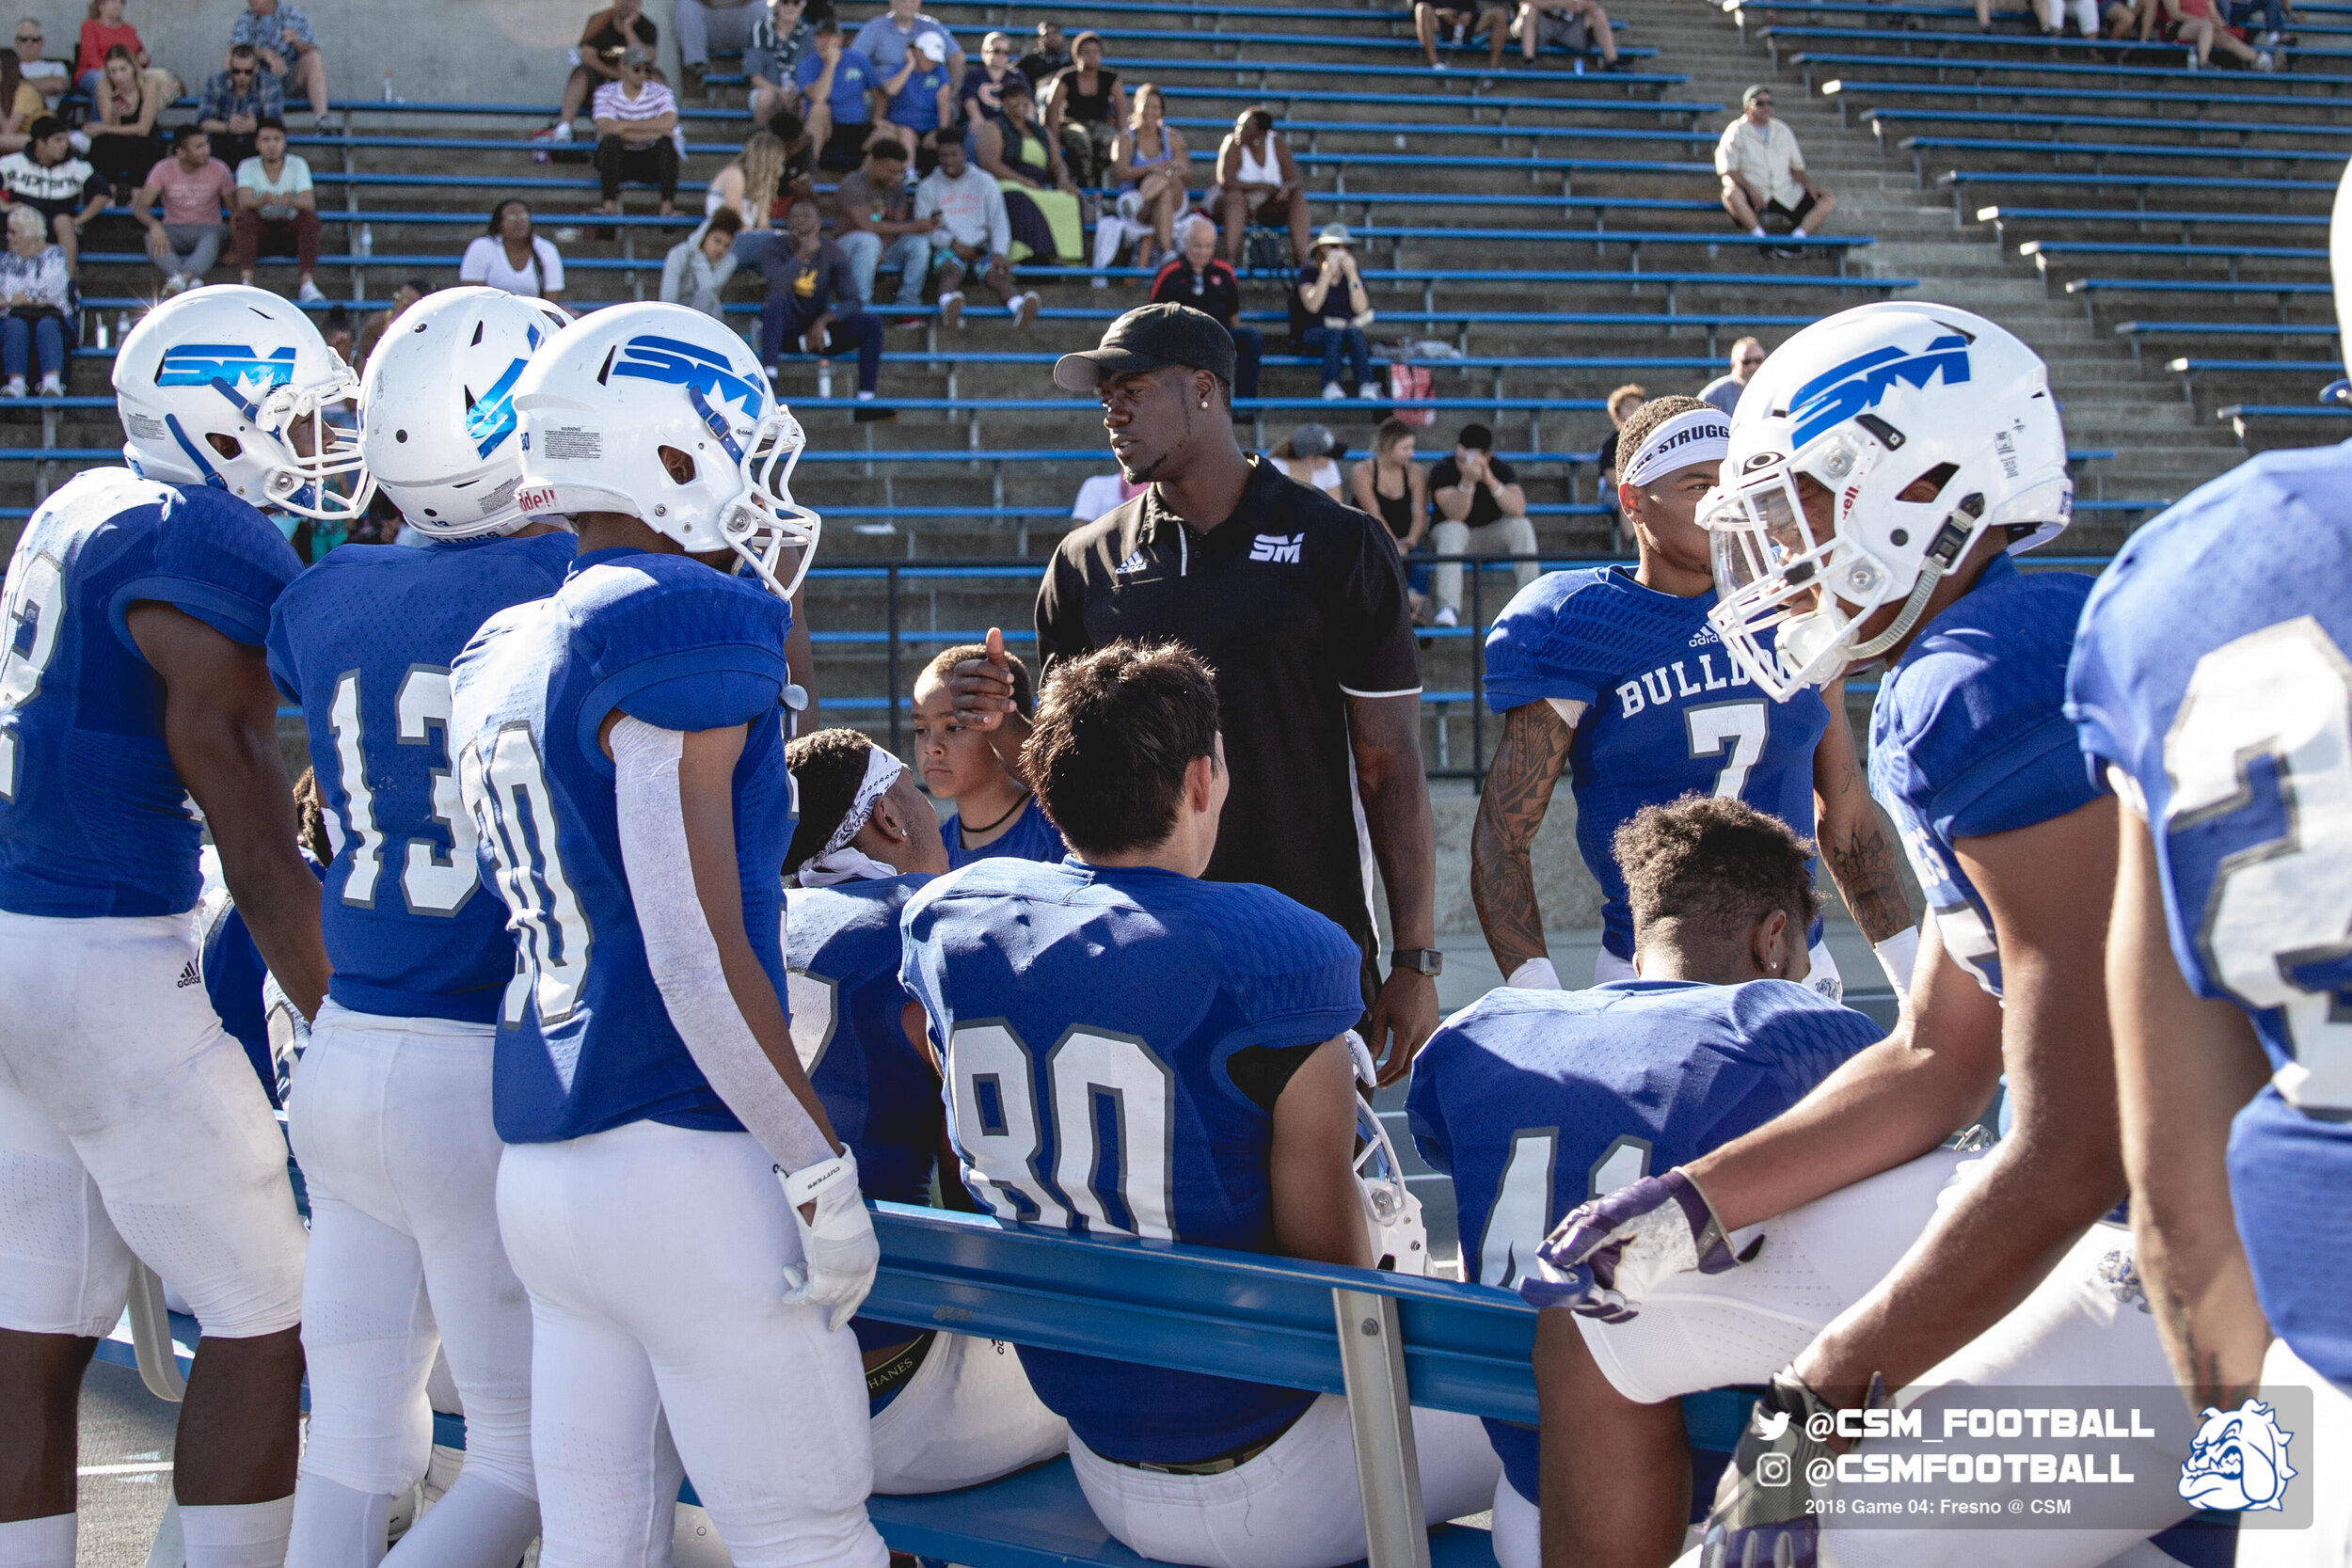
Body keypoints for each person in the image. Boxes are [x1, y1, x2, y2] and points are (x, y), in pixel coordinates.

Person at [1528, 305, 2187, 1568]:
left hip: (2200, 1243)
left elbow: (2075, 1146)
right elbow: (1937, 1055)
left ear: (1923, 484)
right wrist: (1691, 1200)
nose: (1774, 554)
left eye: (1795, 506)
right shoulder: (1984, 654)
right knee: (1603, 1315)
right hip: (2115, 1198)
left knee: (1789, 1527)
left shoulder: (1975, 687)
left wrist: (1816, 1403)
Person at [447, 299, 883, 1568]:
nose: (758, 484)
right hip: (682, 1154)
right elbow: (689, 944)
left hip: (545, 1161)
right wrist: (815, 1164)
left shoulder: (502, 643)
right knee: (812, 1537)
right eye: (738, 445)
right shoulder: (674, 612)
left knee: (596, 1544)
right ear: (671, 449)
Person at [905, 641, 1497, 1568]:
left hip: (1098, 1448)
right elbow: (1337, 1284)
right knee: (1576, 1399)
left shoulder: (950, 919)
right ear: (1199, 778)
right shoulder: (1280, 949)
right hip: (1277, 1462)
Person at [0, 282, 352, 1568]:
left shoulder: (83, 499)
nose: (311, 445)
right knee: (267, 1302)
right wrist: (343, 1021)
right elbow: (254, 841)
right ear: (217, 415)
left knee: (34, 1321)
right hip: (106, 956)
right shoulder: (202, 541)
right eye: (291, 416)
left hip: (17, 936)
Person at [2066, 166, 2352, 1562]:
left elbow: (2176, 1195)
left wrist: (2261, 1493)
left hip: (2317, 1385)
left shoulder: (2194, 581)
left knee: (1818, 1498)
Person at [267, 287, 577, 1568]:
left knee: (352, 1436)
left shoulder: (328, 591)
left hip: (346, 1045)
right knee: (521, 1459)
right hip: (471, 1058)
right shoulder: (567, 581)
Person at [953, 304, 1443, 1081]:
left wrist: (1415, 956)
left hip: (1302, 944)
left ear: (1205, 389)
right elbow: (1068, 780)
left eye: (1133, 390)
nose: (1112, 413)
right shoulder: (1083, 564)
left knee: (1318, 1164)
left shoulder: (1339, 542)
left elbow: (1391, 762)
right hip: (1138, 953)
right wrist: (1004, 722)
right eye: (1104, 396)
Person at [1409, 795, 1883, 1568]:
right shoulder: (1785, 1030)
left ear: (1641, 953)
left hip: (1530, 1506)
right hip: (1711, 1511)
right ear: (1773, 939)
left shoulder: (1481, 1034)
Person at [1471, 393, 1915, 1000]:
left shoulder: (1794, 604)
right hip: (1651, 974)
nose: (1722, 504)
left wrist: (1911, 977)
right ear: (1633, 500)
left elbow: (1846, 816)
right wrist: (1536, 991)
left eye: (1732, 483)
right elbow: (1504, 832)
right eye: (1698, 486)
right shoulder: (1579, 621)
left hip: (1801, 968)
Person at [778, 728, 1072, 1489]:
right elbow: (985, 1180)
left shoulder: (753, 922)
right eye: (914, 789)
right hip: (894, 1392)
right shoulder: (924, 926)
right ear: (887, 815)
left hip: (749, 1382)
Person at [910, 645, 1064, 868]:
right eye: (920, 730)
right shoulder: (932, 851)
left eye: (953, 727)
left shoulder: (1061, 832)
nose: (931, 747)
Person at [757, 194, 889, 413]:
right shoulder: (773, 247)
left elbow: (853, 300)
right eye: (795, 216)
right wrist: (801, 255)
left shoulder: (832, 252)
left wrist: (824, 321)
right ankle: (769, 382)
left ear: (818, 223)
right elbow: (777, 285)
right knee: (775, 300)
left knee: (871, 323)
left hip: (820, 332)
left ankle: (866, 401)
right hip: (786, 331)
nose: (801, 221)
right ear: (787, 222)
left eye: (806, 216)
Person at [915, 136, 1039, 330]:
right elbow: (924, 226)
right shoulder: (927, 187)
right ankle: (948, 305)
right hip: (948, 248)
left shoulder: (985, 181)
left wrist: (1000, 252)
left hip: (981, 248)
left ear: (964, 154)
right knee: (950, 271)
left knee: (996, 274)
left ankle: (1018, 306)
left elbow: (998, 220)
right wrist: (952, 243)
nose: (949, 160)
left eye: (953, 155)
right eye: (943, 156)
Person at [1426, 422, 1535, 626]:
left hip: (1489, 536)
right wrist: (1467, 482)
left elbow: (1518, 509)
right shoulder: (1443, 469)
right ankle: (1448, 607)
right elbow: (1455, 514)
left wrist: (1490, 480)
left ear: (1487, 456)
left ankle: (1533, 602)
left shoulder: (1500, 469)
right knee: (1453, 529)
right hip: (1453, 539)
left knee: (1521, 526)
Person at [1150, 214, 1260, 399]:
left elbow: (1233, 316)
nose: (1203, 252)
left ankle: (1245, 403)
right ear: (1186, 244)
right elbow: (1153, 317)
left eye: (1208, 246)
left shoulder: (1225, 273)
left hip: (1217, 337)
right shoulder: (1169, 273)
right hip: (1182, 340)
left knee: (1251, 338)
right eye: (1198, 246)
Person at [975, 72, 1080, 264]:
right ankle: (1025, 256)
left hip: (1040, 184)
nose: (1020, 102)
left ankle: (1064, 258)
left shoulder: (1041, 131)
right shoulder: (994, 127)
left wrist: (1063, 180)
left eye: (1024, 97)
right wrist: (1023, 181)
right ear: (1004, 102)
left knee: (1068, 199)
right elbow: (990, 163)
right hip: (1008, 182)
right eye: (1014, 97)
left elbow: (1057, 163)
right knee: (1019, 198)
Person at [1715, 87, 1835, 250]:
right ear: (1747, 107)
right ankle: (1760, 239)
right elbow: (1727, 168)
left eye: (1770, 103)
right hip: (1754, 191)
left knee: (1827, 199)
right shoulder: (1736, 130)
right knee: (1731, 195)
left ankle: (1796, 239)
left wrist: (1809, 186)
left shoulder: (1783, 130)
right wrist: (1750, 189)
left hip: (1785, 192)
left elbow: (1796, 168)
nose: (1766, 107)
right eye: (1760, 103)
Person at [834, 139, 932, 319]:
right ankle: (861, 308)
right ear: (876, 163)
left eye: (899, 172)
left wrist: (882, 246)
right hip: (848, 246)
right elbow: (867, 225)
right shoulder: (853, 183)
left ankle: (907, 307)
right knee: (868, 240)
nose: (896, 177)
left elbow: (897, 226)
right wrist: (914, 227)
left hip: (883, 246)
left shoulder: (897, 188)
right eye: (891, 171)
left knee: (919, 244)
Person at [0, 115, 106, 271]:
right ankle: (17, 277)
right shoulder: (15, 163)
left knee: (63, 221)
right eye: (58, 140)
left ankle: (67, 280)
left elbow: (103, 192)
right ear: (40, 143)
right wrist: (5, 206)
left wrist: (78, 220)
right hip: (26, 225)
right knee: (19, 220)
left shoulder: (76, 167)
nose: (64, 145)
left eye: (65, 140)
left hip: (59, 228)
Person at [1349, 418, 1431, 620]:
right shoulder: (1363, 471)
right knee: (1383, 560)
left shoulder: (1415, 472)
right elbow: (1374, 513)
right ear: (1387, 446)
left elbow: (1419, 513)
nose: (1411, 453)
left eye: (1412, 447)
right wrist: (1393, 544)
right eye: (1405, 448)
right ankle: (1400, 608)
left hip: (1404, 539)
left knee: (1419, 563)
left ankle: (1416, 613)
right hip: (1371, 538)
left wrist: (1411, 540)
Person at [232, 118, 322, 301]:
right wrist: (262, 200)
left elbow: (309, 202)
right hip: (260, 233)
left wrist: (292, 201)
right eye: (265, 140)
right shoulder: (247, 165)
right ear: (257, 144)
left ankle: (307, 284)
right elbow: (243, 202)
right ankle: (246, 282)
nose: (271, 145)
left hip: (289, 232)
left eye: (276, 139)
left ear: (284, 142)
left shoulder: (298, 164)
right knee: (245, 218)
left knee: (309, 218)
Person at [1290, 222, 1375, 403]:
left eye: (1346, 247)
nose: (1341, 251)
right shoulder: (1309, 272)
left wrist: (1352, 275)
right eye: (1335, 246)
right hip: (1315, 330)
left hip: (1346, 331)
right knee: (1335, 332)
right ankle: (1330, 384)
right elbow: (1312, 305)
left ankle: (1366, 384)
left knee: (1354, 332)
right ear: (1322, 248)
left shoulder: (1352, 273)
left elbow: (1361, 308)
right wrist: (1327, 274)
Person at [592, 44, 679, 216]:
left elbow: (669, 123)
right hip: (620, 158)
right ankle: (608, 206)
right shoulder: (605, 92)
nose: (642, 74)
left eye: (646, 69)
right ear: (622, 67)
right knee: (610, 142)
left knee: (667, 145)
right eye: (637, 69)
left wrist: (622, 126)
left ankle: (667, 208)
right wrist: (653, 131)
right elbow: (605, 127)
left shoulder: (661, 91)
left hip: (648, 159)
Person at [1106, 83, 1185, 274]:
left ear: (1162, 111)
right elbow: (1120, 173)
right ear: (1136, 107)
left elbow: (1188, 173)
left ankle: (1140, 198)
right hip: (1141, 206)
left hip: (1170, 200)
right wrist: (1149, 168)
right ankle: (1167, 252)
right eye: (1146, 106)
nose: (1151, 111)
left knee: (1167, 176)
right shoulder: (1125, 139)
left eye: (1155, 107)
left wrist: (1174, 168)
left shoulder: (1173, 137)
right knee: (1164, 192)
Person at [1216, 106, 1310, 266]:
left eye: (1246, 128)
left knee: (1298, 198)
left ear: (1260, 133)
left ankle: (1302, 258)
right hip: (1238, 202)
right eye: (1238, 126)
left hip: (1268, 205)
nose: (1239, 130)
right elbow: (1226, 182)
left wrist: (1285, 189)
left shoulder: (1277, 143)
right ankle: (1230, 257)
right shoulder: (1232, 144)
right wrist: (1262, 186)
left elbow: (1294, 179)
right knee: (1235, 198)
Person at [552, 0, 659, 139]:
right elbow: (587, 57)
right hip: (599, 85)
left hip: (634, 87)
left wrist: (628, 29)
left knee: (656, 76)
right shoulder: (598, 21)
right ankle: (565, 128)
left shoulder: (647, 26)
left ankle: (670, 128)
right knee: (580, 73)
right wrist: (619, 75)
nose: (627, 4)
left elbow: (648, 59)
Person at [227, 0, 331, 133]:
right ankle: (227, 113)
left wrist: (298, 42)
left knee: (313, 56)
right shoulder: (246, 17)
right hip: (256, 82)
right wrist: (265, 54)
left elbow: (312, 47)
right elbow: (235, 47)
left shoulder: (292, 14)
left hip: (289, 78)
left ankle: (322, 120)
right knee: (229, 58)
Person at [706, 126, 803, 266]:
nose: (780, 167)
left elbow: (763, 224)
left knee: (796, 242)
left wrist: (775, 234)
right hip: (727, 239)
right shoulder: (735, 175)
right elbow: (735, 222)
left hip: (748, 238)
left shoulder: (761, 184)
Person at [797, 17, 882, 174]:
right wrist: (830, 64)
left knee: (888, 134)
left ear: (840, 39)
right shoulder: (807, 65)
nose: (825, 42)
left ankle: (860, 179)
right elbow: (818, 97)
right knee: (819, 109)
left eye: (830, 37)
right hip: (827, 129)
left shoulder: (858, 60)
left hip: (857, 128)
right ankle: (808, 173)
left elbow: (879, 95)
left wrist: (878, 118)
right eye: (820, 37)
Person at [0, 203, 70, 396]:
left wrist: (16, 299)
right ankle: (15, 385)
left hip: (51, 314)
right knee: (15, 325)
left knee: (47, 325)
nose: (8, 237)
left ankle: (52, 384)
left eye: (13, 232)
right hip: (15, 315)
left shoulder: (55, 255)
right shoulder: (7, 261)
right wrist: (14, 300)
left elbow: (51, 291)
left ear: (29, 232)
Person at [1045, 31, 1121, 188]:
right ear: (1077, 55)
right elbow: (1052, 108)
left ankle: (1096, 181)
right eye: (1087, 52)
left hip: (1100, 124)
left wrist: (1123, 136)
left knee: (1113, 142)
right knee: (1082, 140)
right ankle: (1086, 186)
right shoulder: (1066, 77)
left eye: (1095, 52)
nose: (1092, 56)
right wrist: (1055, 139)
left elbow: (1121, 108)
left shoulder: (1109, 78)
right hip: (1072, 123)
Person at [85, 43, 161, 195]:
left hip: (144, 139)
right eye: (113, 71)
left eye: (123, 69)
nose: (118, 76)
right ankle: (107, 193)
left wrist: (103, 128)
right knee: (102, 143)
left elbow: (143, 129)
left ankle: (137, 193)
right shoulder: (104, 85)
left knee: (136, 142)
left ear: (133, 67)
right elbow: (110, 124)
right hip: (118, 139)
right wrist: (114, 114)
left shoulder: (148, 84)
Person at [459, 198, 565, 304]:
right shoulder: (481, 247)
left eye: (523, 216)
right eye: (511, 216)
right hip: (489, 312)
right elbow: (474, 293)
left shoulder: (547, 249)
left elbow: (552, 299)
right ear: (499, 224)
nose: (519, 221)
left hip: (534, 313)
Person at [875, 30, 954, 167]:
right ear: (917, 51)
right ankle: (908, 172)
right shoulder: (899, 69)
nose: (932, 62)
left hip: (929, 129)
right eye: (928, 57)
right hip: (901, 126)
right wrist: (910, 65)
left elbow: (944, 106)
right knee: (906, 134)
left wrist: (939, 133)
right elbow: (891, 90)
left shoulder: (940, 73)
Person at [197, 42, 278, 172]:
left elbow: (275, 124)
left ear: (256, 68)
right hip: (222, 140)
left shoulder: (270, 84)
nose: (242, 76)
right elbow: (204, 122)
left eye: (247, 72)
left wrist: (256, 126)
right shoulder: (215, 82)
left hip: (255, 141)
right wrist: (227, 127)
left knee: (271, 141)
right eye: (236, 71)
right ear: (230, 68)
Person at [852, 0, 962, 84]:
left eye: (912, 1)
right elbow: (855, 58)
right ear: (892, 1)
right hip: (885, 93)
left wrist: (952, 91)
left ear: (919, 2)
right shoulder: (875, 27)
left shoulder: (932, 26)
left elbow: (957, 57)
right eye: (903, 0)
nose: (908, 5)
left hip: (924, 93)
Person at [660, 207, 740, 319]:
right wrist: (695, 250)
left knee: (706, 295)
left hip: (708, 318)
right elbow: (668, 300)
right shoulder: (678, 254)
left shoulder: (729, 261)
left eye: (726, 246)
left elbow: (708, 290)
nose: (720, 249)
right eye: (717, 241)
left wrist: (698, 257)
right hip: (676, 317)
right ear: (704, 236)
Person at [744, 0, 813, 128]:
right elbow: (754, 76)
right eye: (785, 2)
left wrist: (799, 89)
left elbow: (814, 72)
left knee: (808, 100)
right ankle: (764, 138)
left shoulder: (810, 34)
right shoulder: (760, 30)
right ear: (777, 5)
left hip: (798, 92)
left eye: (796, 3)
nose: (790, 7)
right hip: (768, 90)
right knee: (765, 98)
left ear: (802, 7)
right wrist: (778, 92)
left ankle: (800, 140)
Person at [1515, 0, 1629, 69]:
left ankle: (1612, 60)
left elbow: (1593, 4)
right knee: (1529, 10)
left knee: (1598, 13)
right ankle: (1528, 60)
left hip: (1572, 25)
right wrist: (1557, 3)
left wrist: (1580, 5)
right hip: (1542, 23)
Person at [675, 0, 761, 88]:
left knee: (760, 5)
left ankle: (759, 67)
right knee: (685, 4)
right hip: (709, 22)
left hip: (741, 18)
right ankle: (698, 65)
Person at [1415, 1, 1511, 69]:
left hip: (1466, 24)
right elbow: (1416, 6)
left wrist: (1470, 15)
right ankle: (1435, 64)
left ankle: (1493, 69)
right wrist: (1439, 12)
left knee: (1500, 13)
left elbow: (1473, 7)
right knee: (1423, 8)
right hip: (1438, 24)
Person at [1267, 422, 1344, 502]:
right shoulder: (1275, 467)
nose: (1330, 459)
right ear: (1309, 458)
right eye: (1327, 456)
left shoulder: (1330, 466)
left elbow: (1336, 504)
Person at [960, 30, 1014, 134]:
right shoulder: (974, 75)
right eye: (996, 51)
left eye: (1005, 53)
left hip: (1009, 126)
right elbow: (969, 100)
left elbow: (1028, 102)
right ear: (984, 52)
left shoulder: (1016, 76)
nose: (1001, 56)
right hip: (980, 123)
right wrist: (977, 119)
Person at [1594, 381, 1644, 496]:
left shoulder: (1647, 438)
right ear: (1616, 412)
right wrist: (1633, 490)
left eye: (1639, 406)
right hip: (1615, 491)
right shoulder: (1611, 442)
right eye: (1629, 406)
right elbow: (1611, 477)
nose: (1635, 411)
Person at [1696, 335, 1763, 418]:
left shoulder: (1772, 391)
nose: (1753, 367)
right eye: (1746, 362)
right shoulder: (1714, 395)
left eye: (1758, 361)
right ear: (1733, 364)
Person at [11, 16, 62, 106]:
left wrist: (13, 86)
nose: (29, 43)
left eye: (35, 39)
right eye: (24, 39)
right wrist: (40, 87)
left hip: (42, 113)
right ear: (16, 42)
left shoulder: (56, 66)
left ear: (42, 42)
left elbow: (58, 85)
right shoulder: (5, 66)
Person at [1014, 19, 1073, 87]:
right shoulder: (1030, 60)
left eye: (1055, 32)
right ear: (1039, 40)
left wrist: (1053, 78)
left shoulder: (1073, 59)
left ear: (1062, 36)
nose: (1052, 37)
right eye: (1046, 34)